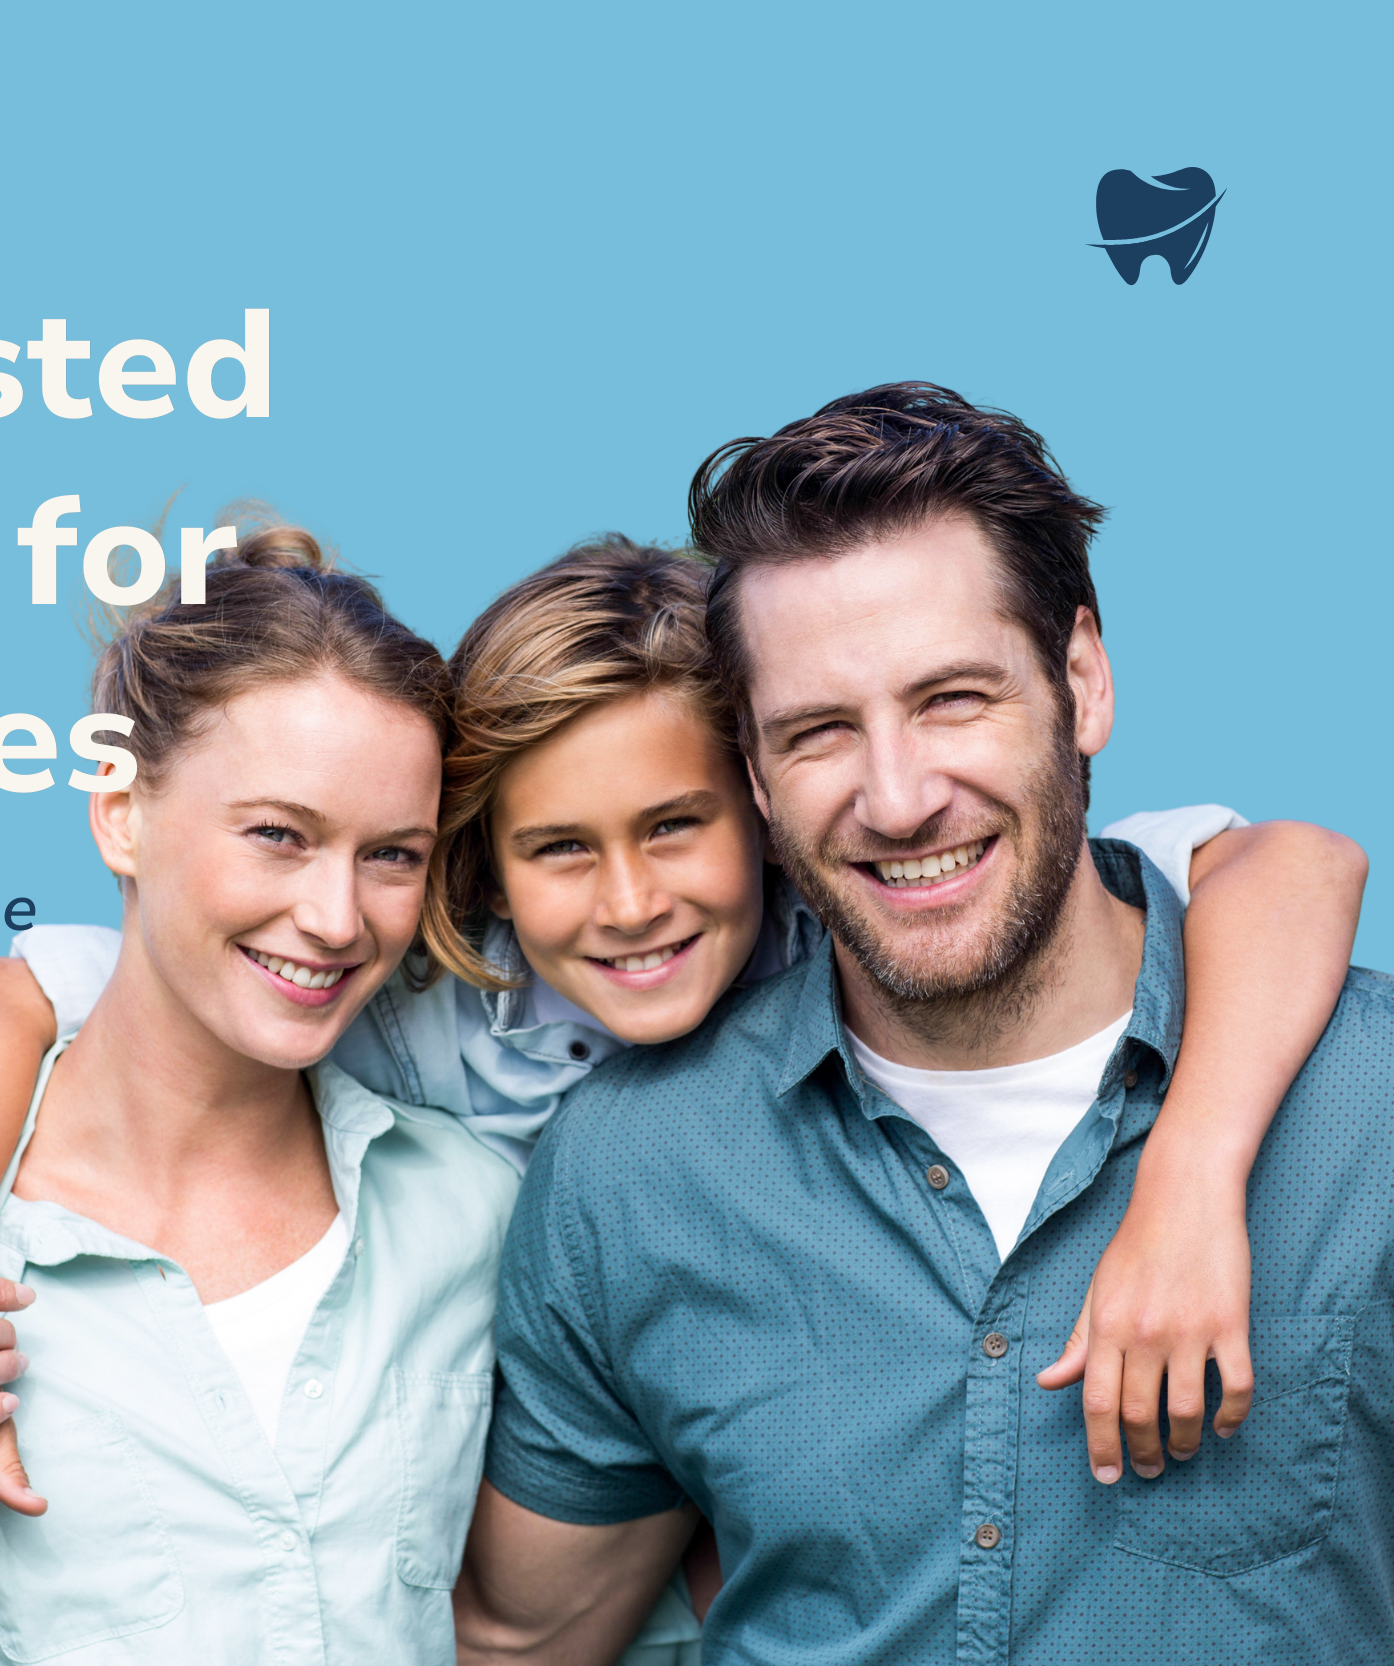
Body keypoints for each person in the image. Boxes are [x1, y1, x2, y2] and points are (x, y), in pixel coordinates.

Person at [0, 528, 1364, 1653]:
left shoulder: (900, 900)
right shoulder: (397, 1009)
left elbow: (1299, 861)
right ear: (485, 876)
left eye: (678, 825)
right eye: (563, 850)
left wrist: (1191, 1173)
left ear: (761, 807)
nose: (630, 902)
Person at [456, 383, 1390, 1663]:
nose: (896, 800)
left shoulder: (1366, 1103)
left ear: (1081, 679)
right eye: (818, 730)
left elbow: (1294, 860)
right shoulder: (630, 1173)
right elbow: (524, 1637)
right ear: (754, 772)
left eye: (952, 698)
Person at [0, 529, 525, 1665]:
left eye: (392, 855)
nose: (335, 915)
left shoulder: (469, 1208)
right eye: (277, 834)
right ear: (119, 812)